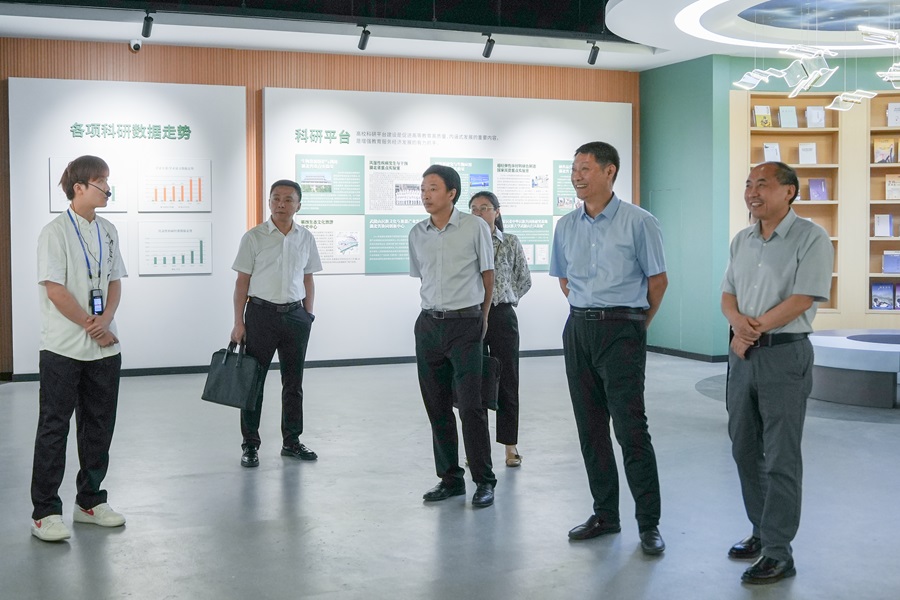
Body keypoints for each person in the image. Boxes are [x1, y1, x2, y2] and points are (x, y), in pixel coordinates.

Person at [549, 141, 668, 555]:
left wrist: (635, 326)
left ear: (609, 171)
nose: (577, 176)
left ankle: (649, 524)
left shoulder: (640, 222)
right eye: (574, 169)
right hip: (578, 330)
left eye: (585, 168)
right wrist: (588, 313)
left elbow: (658, 282)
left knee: (631, 430)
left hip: (622, 330)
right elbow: (564, 280)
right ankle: (605, 514)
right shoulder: (566, 225)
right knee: (591, 428)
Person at [721, 161, 832, 585]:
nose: (752, 192)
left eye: (762, 184)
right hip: (742, 355)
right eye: (749, 184)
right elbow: (727, 295)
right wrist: (739, 327)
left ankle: (779, 552)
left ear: (789, 191)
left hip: (784, 355)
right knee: (744, 447)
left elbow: (803, 298)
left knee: (781, 455)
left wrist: (752, 330)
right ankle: (761, 530)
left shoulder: (811, 237)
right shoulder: (742, 240)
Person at [31, 155, 127, 542]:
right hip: (64, 347)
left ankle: (90, 501)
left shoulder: (108, 230)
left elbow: (115, 281)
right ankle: (45, 512)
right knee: (54, 428)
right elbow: (55, 289)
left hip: (105, 348)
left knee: (99, 426)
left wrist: (106, 321)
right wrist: (92, 324)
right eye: (102, 182)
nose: (108, 188)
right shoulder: (54, 232)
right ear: (79, 187)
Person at [409, 165, 497, 508]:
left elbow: (488, 276)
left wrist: (483, 317)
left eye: (432, 188)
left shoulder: (475, 227)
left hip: (466, 324)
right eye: (423, 189)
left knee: (472, 407)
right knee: (437, 405)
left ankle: (484, 480)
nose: (425, 195)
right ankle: (450, 478)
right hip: (429, 325)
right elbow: (423, 278)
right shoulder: (417, 233)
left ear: (452, 193)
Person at [231, 180, 322, 468]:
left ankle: (292, 441)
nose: (281, 204)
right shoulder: (254, 237)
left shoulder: (305, 238)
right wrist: (238, 322)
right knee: (253, 383)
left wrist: (308, 315)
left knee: (293, 383)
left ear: (298, 205)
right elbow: (242, 282)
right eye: (276, 198)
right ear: (269, 202)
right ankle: (250, 444)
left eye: (288, 199)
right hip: (261, 315)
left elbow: (308, 278)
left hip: (295, 316)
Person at [468, 191, 532, 467]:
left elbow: (524, 279)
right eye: (474, 209)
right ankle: (477, 450)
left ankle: (510, 446)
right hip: (471, 316)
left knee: (508, 380)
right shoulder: (466, 242)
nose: (479, 213)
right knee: (474, 383)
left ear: (497, 211)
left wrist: (505, 296)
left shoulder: (511, 242)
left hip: (503, 316)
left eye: (485, 207)